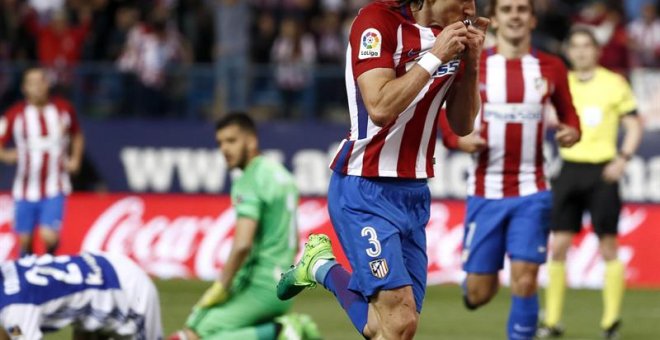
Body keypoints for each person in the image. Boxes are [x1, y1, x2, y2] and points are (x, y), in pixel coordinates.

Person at [278, 0, 488, 338]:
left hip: (414, 194)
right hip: (364, 188)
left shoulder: (453, 39)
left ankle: (320, 267)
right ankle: (320, 266)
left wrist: (473, 63)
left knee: (392, 328)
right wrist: (435, 56)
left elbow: (462, 125)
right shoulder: (376, 22)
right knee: (397, 321)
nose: (470, 6)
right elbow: (379, 106)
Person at [438, 0, 581, 339]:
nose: (515, 15)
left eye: (521, 9)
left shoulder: (551, 67)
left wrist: (572, 132)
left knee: (526, 279)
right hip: (486, 192)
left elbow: (570, 116)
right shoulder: (474, 65)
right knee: (479, 293)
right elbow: (445, 123)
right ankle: (474, 282)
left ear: (532, 20)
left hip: (533, 191)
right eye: (507, 9)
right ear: (497, 20)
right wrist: (460, 141)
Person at [168, 113, 320, 340]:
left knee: (193, 332)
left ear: (251, 140)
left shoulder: (249, 180)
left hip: (259, 285)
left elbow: (242, 244)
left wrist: (221, 286)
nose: (224, 149)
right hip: (285, 282)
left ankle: (282, 332)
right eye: (220, 143)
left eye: (231, 141)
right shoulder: (281, 175)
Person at [537, 27, 643, 340]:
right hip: (570, 169)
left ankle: (610, 322)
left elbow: (635, 123)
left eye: (587, 46)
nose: (582, 52)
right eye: (576, 46)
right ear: (568, 51)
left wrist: (622, 158)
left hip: (602, 171)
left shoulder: (614, 83)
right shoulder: (561, 82)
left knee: (608, 245)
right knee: (558, 246)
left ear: (597, 51)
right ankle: (552, 321)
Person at [0, 67, 85, 256]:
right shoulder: (14, 114)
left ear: (48, 84)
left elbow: (77, 135)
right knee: (25, 239)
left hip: (55, 185)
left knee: (49, 236)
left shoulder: (63, 109)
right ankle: (28, 268)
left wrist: (75, 159)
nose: (37, 87)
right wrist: (6, 155)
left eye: (41, 81)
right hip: (25, 187)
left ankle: (49, 262)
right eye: (32, 83)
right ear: (24, 88)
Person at [0, 252, 162, 339]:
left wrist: (15, 333)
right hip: (103, 267)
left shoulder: (15, 309)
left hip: (127, 291)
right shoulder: (8, 270)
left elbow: (17, 332)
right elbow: (11, 332)